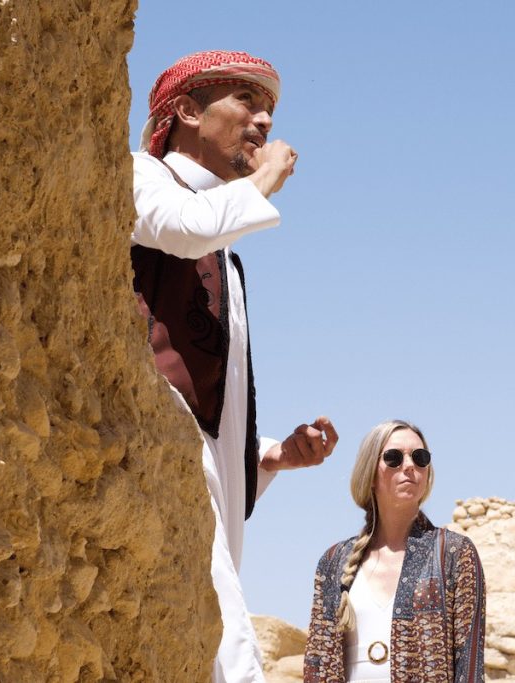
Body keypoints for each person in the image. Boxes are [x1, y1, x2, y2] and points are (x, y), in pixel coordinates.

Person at [131, 50, 338, 682]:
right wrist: (265, 181)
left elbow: (215, 409)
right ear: (187, 111)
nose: (264, 118)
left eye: (268, 105)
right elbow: (184, 227)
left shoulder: (229, 252)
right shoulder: (141, 175)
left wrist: (269, 456)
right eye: (244, 100)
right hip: (147, 453)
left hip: (196, 472)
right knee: (230, 644)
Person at [304, 420, 485, 682]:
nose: (410, 466)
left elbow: (469, 664)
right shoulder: (334, 561)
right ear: (370, 471)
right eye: (394, 458)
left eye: (420, 458)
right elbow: (317, 662)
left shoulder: (454, 553)